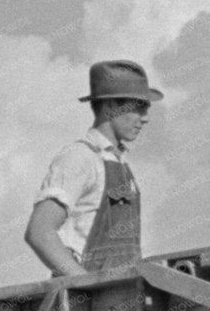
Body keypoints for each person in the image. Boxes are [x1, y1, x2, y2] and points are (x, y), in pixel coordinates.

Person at [25, 60, 163, 276]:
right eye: (138, 107)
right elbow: (40, 232)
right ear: (110, 106)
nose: (145, 118)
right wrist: (86, 285)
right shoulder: (79, 157)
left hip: (123, 291)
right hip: (87, 295)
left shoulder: (120, 163)